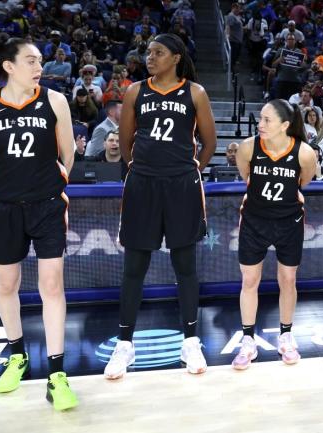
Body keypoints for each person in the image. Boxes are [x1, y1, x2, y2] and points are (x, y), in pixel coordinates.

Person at [0, 33, 78, 410]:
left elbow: (69, 153)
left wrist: (49, 180)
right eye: (31, 61)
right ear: (8, 66)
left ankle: (57, 373)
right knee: (7, 283)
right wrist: (7, 186)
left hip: (47, 203)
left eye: (39, 61)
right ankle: (17, 355)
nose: (39, 67)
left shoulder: (55, 100)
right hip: (6, 206)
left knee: (51, 285)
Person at [103, 34, 217, 379]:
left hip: (182, 184)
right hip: (143, 183)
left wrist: (189, 169)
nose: (150, 57)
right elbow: (125, 143)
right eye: (149, 52)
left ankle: (191, 340)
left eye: (158, 52)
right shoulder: (136, 91)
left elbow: (209, 143)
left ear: (176, 58)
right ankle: (125, 343)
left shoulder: (195, 92)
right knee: (134, 265)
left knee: (185, 264)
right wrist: (144, 170)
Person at [230, 99, 316, 369]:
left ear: (285, 125)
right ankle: (247, 339)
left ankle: (286, 335)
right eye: (261, 118)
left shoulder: (304, 153)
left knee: (288, 279)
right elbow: (246, 176)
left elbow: (305, 181)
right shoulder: (248, 147)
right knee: (249, 280)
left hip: (289, 222)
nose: (261, 124)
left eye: (267, 120)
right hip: (254, 220)